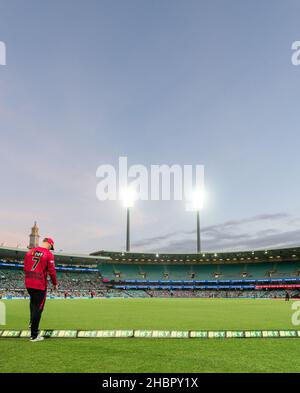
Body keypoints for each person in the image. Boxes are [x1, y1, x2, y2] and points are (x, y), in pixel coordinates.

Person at [24, 237, 57, 342]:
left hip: (29, 282)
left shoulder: (30, 252)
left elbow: (25, 267)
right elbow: (52, 271)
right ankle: (34, 335)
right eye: (51, 246)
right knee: (39, 308)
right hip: (40, 284)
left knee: (33, 303)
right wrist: (55, 283)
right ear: (49, 244)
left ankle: (31, 322)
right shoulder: (48, 254)